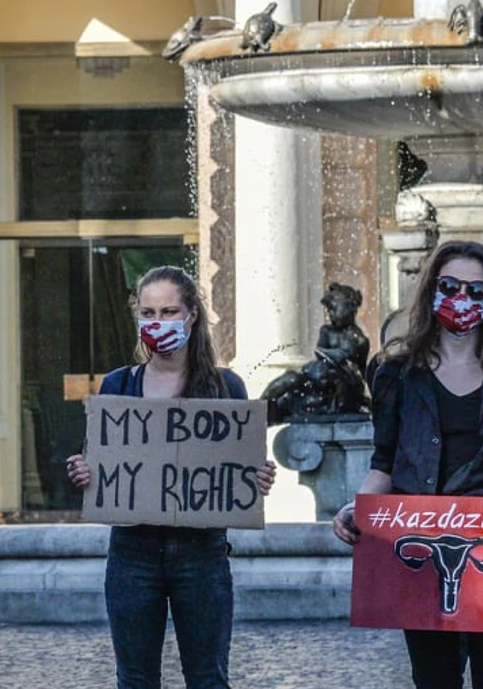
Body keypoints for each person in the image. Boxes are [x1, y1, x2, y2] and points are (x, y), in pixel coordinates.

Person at [333, 240, 483, 689]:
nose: (462, 299)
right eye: (450, 286)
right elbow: (384, 461)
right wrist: (359, 508)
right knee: (432, 677)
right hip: (418, 543)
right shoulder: (394, 371)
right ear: (430, 291)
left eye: (476, 291)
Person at [65, 265, 279, 689]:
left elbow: (240, 465)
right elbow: (101, 464)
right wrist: (84, 471)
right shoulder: (117, 386)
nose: (156, 323)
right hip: (132, 553)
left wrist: (259, 479)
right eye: (147, 313)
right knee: (136, 679)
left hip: (202, 556)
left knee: (207, 678)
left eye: (168, 312)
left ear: (191, 315)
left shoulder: (225, 387)